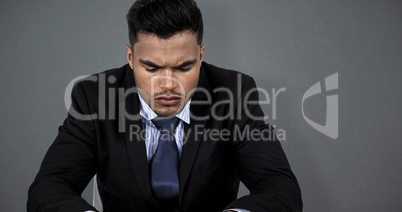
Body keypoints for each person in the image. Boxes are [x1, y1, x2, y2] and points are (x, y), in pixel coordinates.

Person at [27, 0, 302, 211]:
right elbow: (49, 187)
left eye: (184, 67)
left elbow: (280, 187)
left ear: (201, 55)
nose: (169, 84)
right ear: (131, 56)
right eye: (151, 67)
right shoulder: (94, 97)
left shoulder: (234, 92)